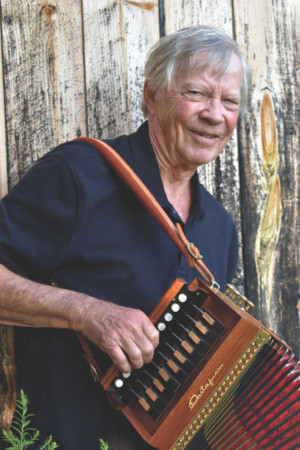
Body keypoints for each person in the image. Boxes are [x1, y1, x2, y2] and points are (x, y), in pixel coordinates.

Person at [0, 25, 250, 449]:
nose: (215, 114)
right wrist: (85, 311)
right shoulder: (79, 175)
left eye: (229, 101)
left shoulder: (220, 228)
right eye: (196, 94)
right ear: (152, 95)